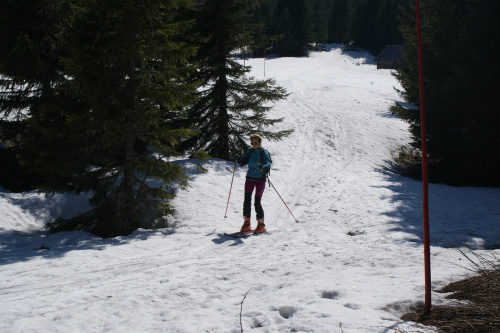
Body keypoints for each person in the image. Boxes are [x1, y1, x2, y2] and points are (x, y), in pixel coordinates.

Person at [235, 134, 272, 233]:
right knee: (247, 200)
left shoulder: (263, 152)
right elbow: (243, 162)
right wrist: (238, 159)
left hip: (260, 179)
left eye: (256, 143)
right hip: (249, 178)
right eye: (252, 143)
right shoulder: (249, 151)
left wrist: (263, 167)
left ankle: (261, 224)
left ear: (260, 143)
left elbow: (268, 163)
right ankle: (246, 223)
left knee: (257, 202)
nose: (254, 145)